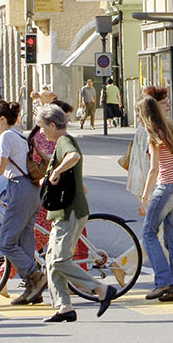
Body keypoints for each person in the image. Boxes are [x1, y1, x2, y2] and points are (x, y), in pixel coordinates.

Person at [37, 105, 118, 322]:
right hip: (64, 211)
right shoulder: (61, 142)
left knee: (60, 260)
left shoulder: (65, 141)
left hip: (69, 211)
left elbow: (73, 157)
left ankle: (100, 289)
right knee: (52, 258)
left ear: (53, 125)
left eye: (43, 128)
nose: (42, 132)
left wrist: (55, 171)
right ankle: (64, 307)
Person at [0, 101, 47, 305]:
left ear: (2, 119)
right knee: (25, 241)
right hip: (31, 189)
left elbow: (0, 170)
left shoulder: (6, 136)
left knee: (6, 242)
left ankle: (35, 276)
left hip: (19, 188)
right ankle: (33, 291)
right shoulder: (18, 134)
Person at [137, 96, 173, 302]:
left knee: (148, 233)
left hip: (167, 187)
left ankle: (164, 281)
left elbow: (154, 170)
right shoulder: (171, 131)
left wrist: (144, 197)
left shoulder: (154, 135)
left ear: (144, 115)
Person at [126, 86, 170, 198]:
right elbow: (146, 162)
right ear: (155, 106)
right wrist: (148, 191)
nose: (168, 106)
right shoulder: (149, 129)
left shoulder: (151, 126)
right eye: (165, 103)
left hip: (149, 186)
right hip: (152, 187)